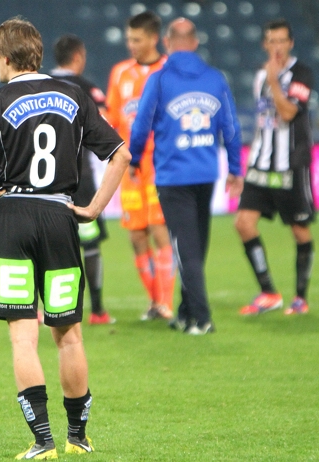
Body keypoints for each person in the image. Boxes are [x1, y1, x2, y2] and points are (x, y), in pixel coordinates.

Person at [0, 17, 130, 460]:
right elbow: (120, 154)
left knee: (22, 337)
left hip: (11, 218)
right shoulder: (74, 96)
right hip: (60, 216)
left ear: (8, 56)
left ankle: (43, 442)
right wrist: (92, 208)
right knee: (68, 335)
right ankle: (78, 437)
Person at [129, 18, 244, 334]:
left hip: (173, 176)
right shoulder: (215, 78)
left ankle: (202, 319)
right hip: (206, 174)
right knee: (196, 246)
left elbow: (140, 126)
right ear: (194, 42)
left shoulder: (160, 79)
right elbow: (231, 129)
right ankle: (185, 312)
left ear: (167, 42)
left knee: (186, 248)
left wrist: (134, 159)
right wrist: (235, 169)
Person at [235, 18, 315, 316]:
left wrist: (273, 82)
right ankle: (269, 292)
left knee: (299, 229)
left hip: (290, 164)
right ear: (265, 45)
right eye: (272, 41)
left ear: (291, 43)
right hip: (261, 162)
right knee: (243, 224)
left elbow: (288, 112)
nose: (278, 47)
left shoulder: (301, 74)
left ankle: (300, 298)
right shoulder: (260, 74)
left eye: (283, 41)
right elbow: (262, 119)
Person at [105, 11, 176, 322]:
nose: (130, 44)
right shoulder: (120, 73)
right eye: (128, 39)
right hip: (130, 166)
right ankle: (154, 301)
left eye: (136, 39)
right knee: (136, 236)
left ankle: (166, 302)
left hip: (161, 164)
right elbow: (114, 117)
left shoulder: (170, 71)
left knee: (160, 229)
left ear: (153, 39)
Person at [49, 34, 115, 325]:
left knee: (49, 244)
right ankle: (98, 310)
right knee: (89, 243)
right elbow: (105, 128)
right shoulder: (87, 88)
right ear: (78, 56)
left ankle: (46, 308)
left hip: (46, 181)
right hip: (81, 180)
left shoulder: (40, 85)